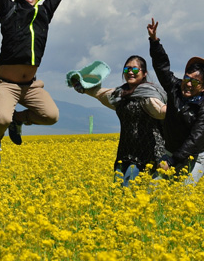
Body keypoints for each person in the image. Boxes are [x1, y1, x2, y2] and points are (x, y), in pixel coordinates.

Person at [0, 0, 66, 167]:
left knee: (51, 116)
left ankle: (17, 120)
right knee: (1, 117)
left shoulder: (45, 12)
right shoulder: (9, 10)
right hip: (5, 84)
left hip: (30, 86)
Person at [147, 18, 204, 185]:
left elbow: (194, 140)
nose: (188, 84)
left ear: (203, 87)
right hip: (171, 155)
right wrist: (154, 42)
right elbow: (162, 68)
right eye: (187, 78)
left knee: (183, 193)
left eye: (195, 82)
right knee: (152, 192)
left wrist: (172, 161)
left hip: (194, 157)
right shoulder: (174, 88)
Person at [69, 57, 167, 186]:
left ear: (144, 73)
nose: (130, 72)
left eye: (135, 69)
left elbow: (162, 111)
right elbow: (100, 93)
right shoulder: (119, 95)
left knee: (131, 193)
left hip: (149, 154)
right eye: (127, 69)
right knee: (120, 192)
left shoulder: (149, 95)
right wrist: (82, 85)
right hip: (125, 153)